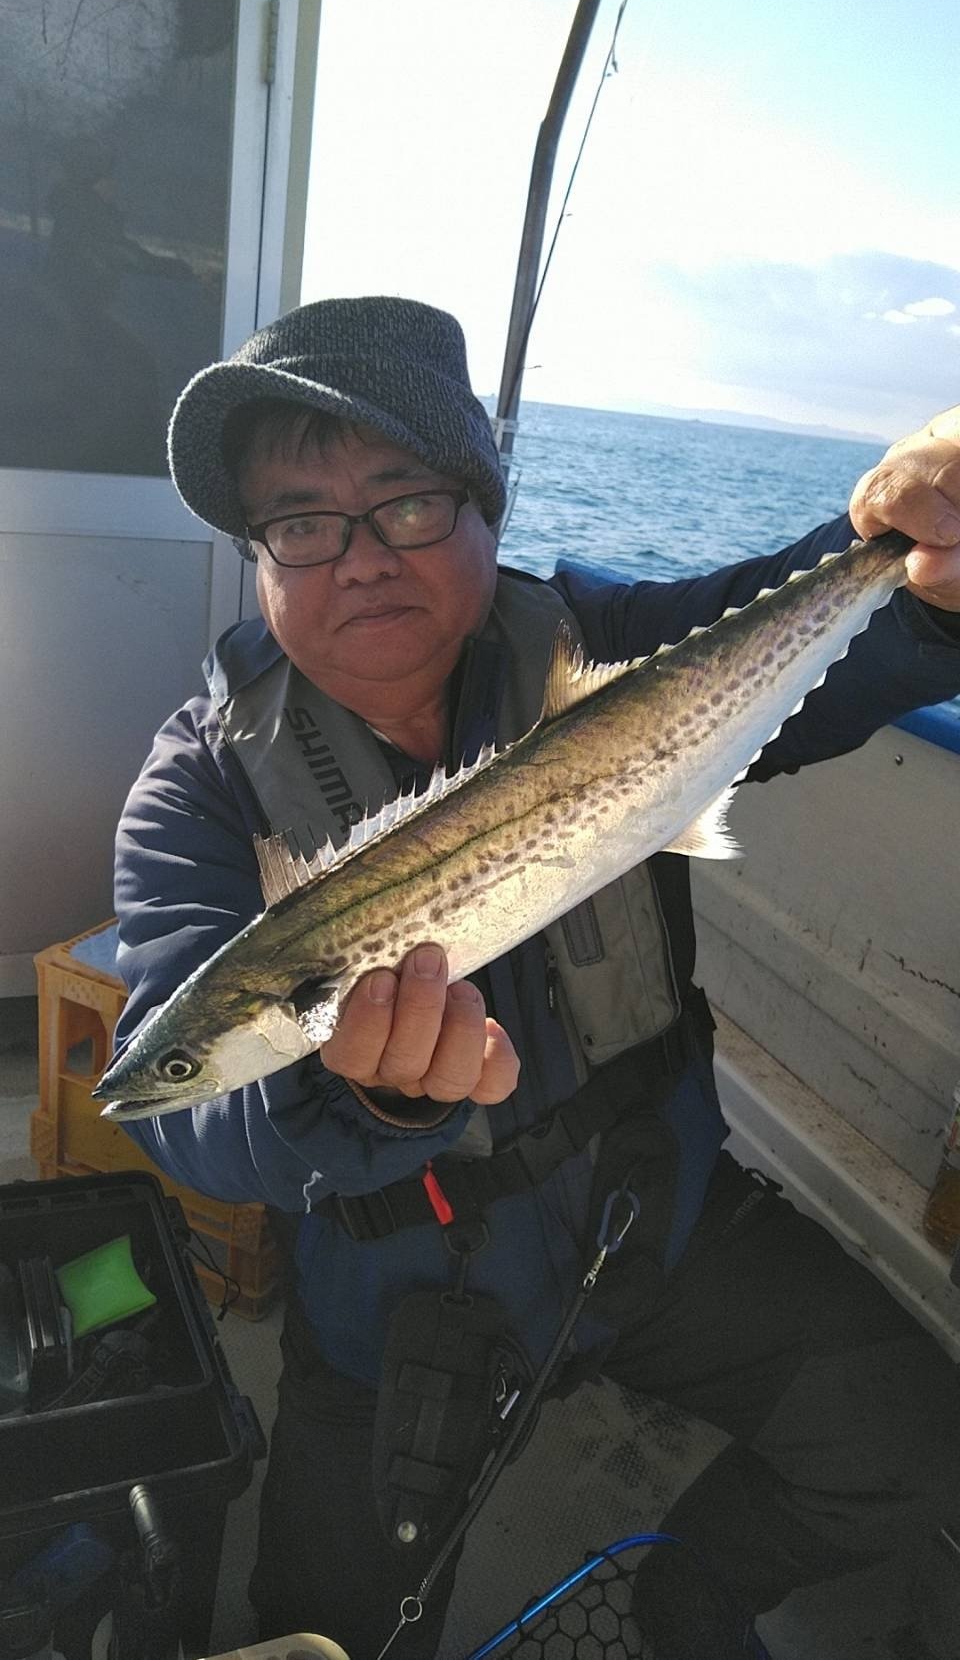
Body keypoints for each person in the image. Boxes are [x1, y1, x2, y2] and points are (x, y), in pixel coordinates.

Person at [113, 296, 960, 1660]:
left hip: (659, 1216)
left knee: (919, 1442)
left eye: (405, 503)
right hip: (397, 1294)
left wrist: (920, 568)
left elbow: (805, 630)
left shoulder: (592, 639)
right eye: (301, 523)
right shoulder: (198, 788)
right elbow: (190, 1111)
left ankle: (690, 1591)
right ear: (257, 554)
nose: (360, 560)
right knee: (333, 1636)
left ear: (483, 508)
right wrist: (365, 1104)